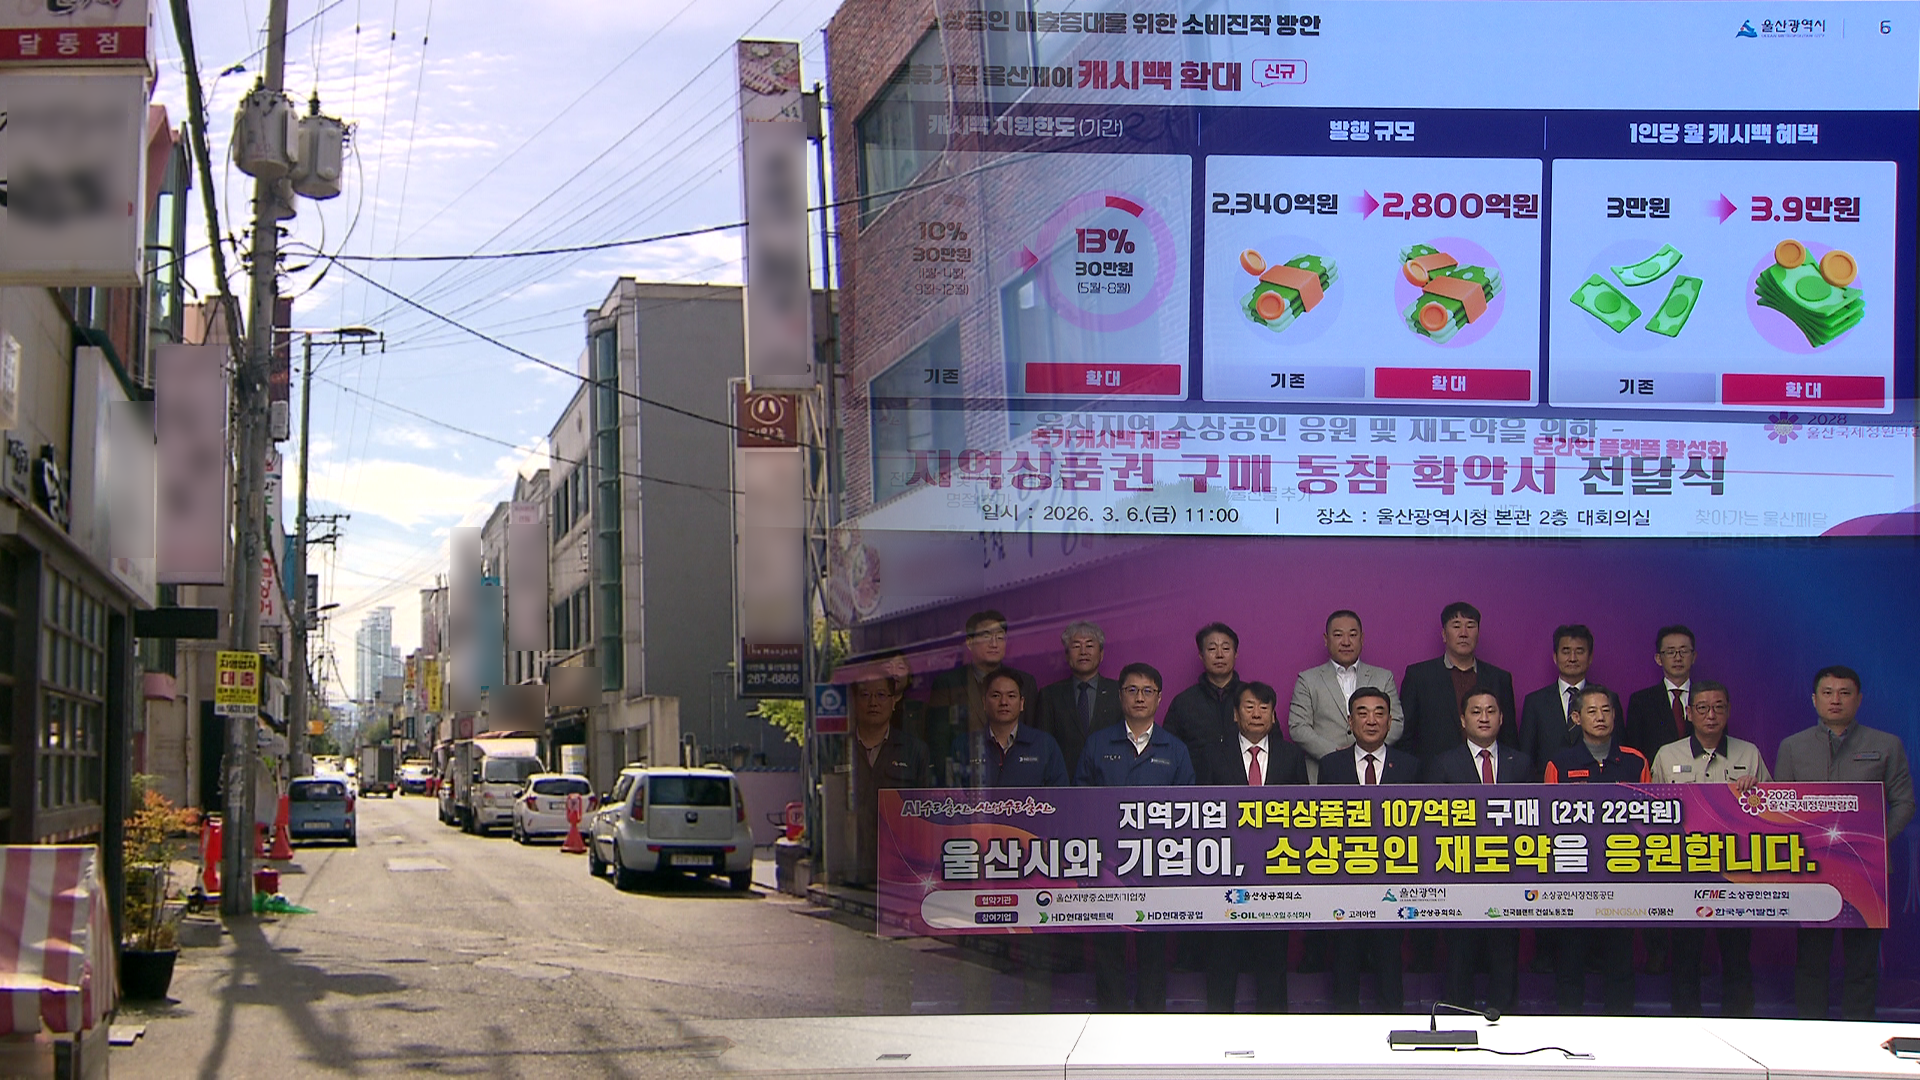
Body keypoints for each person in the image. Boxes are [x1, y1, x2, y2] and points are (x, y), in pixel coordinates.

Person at [1774, 665, 1915, 1021]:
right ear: (1814, 699)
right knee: (1811, 959)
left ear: (1859, 699)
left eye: (1844, 693)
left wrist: (1876, 840)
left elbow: (1904, 803)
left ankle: (1858, 1033)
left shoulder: (1886, 745)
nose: (1835, 700)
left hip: (1868, 870)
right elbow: (1780, 807)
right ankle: (1810, 1033)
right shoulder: (1792, 746)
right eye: (1827, 693)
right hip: (1811, 870)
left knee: (1862, 962)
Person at [1079, 663, 1196, 1012]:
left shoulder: (1175, 749)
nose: (1140, 697)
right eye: (1132, 690)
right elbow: (1079, 802)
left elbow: (1187, 808)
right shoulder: (1098, 744)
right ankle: (1109, 1020)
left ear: (1159, 698)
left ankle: (1150, 1021)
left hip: (1156, 864)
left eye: (1147, 691)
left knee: (1153, 949)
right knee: (1108, 947)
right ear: (1120, 696)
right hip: (1107, 863)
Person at [1650, 681, 1766, 1017]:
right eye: (1702, 708)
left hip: (1737, 872)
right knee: (1685, 955)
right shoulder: (1668, 755)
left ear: (1728, 711)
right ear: (1689, 713)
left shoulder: (1749, 754)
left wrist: (1754, 792)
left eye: (1718, 707)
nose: (1710, 715)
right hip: (1685, 870)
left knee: (1737, 955)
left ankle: (1740, 1026)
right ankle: (1686, 1026)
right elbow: (1652, 813)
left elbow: (1772, 813)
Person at [1197, 682, 1307, 1013]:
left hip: (1276, 873)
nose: (1257, 714)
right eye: (1249, 706)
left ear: (1273, 716)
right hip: (1225, 874)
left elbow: (1303, 814)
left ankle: (1273, 1033)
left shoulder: (1291, 756)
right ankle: (1218, 1030)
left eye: (1264, 707)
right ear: (1235, 714)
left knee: (1272, 963)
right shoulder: (1213, 755)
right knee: (1222, 961)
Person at [1423, 687, 1531, 1015]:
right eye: (1475, 711)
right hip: (1459, 879)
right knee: (1460, 958)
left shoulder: (1521, 763)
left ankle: (1505, 1022)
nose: (1484, 718)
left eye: (1490, 711)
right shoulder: (1443, 764)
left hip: (1508, 878)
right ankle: (1458, 1022)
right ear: (1462, 719)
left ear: (1501, 718)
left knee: (1504, 958)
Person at [1542, 685, 1647, 1014]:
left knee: (1620, 963)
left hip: (1623, 878)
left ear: (1615, 716)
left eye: (1606, 710)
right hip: (1574, 880)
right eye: (1591, 711)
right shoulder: (1560, 763)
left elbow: (1649, 820)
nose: (1600, 717)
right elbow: (1547, 822)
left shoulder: (1635, 761)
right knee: (1570, 963)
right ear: (1576, 718)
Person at [1319, 687, 1418, 1012]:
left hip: (1394, 884)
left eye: (1379, 713)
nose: (1371, 720)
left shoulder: (1410, 767)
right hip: (1345, 884)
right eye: (1362, 713)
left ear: (1390, 721)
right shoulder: (1332, 766)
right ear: (1350, 722)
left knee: (1390, 967)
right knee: (1344, 966)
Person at [1288, 610, 1403, 783]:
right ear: (1326, 639)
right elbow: (1298, 727)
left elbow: (1396, 722)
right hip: (1322, 770)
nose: (1346, 642)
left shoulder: (1383, 677)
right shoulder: (1308, 679)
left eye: (1353, 635)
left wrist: (1366, 750)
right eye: (1338, 635)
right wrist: (1339, 755)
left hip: (1373, 769)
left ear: (1362, 639)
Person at [1397, 601, 1518, 763]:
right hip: (1433, 771)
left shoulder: (1499, 678)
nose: (1463, 633)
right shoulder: (1419, 676)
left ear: (1478, 633)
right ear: (1444, 634)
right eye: (1456, 626)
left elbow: (1509, 737)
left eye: (1470, 626)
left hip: (1487, 770)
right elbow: (1406, 736)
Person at [927, 611, 1038, 783]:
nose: (994, 643)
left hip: (1016, 782)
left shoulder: (1025, 682)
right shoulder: (949, 683)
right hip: (966, 781)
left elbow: (1034, 740)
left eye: (1000, 637)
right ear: (969, 643)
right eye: (986, 636)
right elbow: (939, 745)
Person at [848, 673, 932, 887]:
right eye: (865, 695)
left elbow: (925, 815)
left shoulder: (914, 751)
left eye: (881, 695)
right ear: (854, 701)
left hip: (898, 869)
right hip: (848, 870)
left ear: (894, 701)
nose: (873, 702)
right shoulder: (839, 749)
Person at [1517, 625, 1621, 781]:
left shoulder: (1608, 699)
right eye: (1566, 652)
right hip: (1548, 787)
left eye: (1580, 651)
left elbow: (1619, 750)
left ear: (1590, 657)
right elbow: (1526, 757)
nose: (1572, 658)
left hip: (1598, 787)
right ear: (1555, 657)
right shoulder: (1535, 702)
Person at [1035, 620, 1124, 781]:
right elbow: (1043, 748)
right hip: (1062, 784)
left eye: (1089, 646)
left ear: (1101, 654)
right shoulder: (1049, 695)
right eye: (1076, 646)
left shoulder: (1118, 692)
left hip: (1109, 784)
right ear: (1067, 655)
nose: (1083, 652)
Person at [958, 668, 1069, 789]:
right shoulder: (964, 745)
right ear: (984, 702)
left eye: (1011, 696)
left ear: (1021, 703)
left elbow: (1061, 796)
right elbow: (951, 796)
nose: (1003, 702)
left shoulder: (1045, 745)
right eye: (996, 696)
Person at [1164, 622, 1246, 761]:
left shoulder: (1252, 698)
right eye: (1212, 649)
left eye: (1226, 648)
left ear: (1235, 654)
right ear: (1201, 655)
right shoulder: (1183, 702)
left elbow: (1274, 747)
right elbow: (1168, 752)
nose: (1219, 655)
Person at [1624, 625, 1700, 764]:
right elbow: (1634, 752)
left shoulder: (1708, 698)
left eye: (1684, 651)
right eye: (1671, 652)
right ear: (1658, 658)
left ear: (1694, 656)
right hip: (1656, 774)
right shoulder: (1641, 701)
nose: (1678, 658)